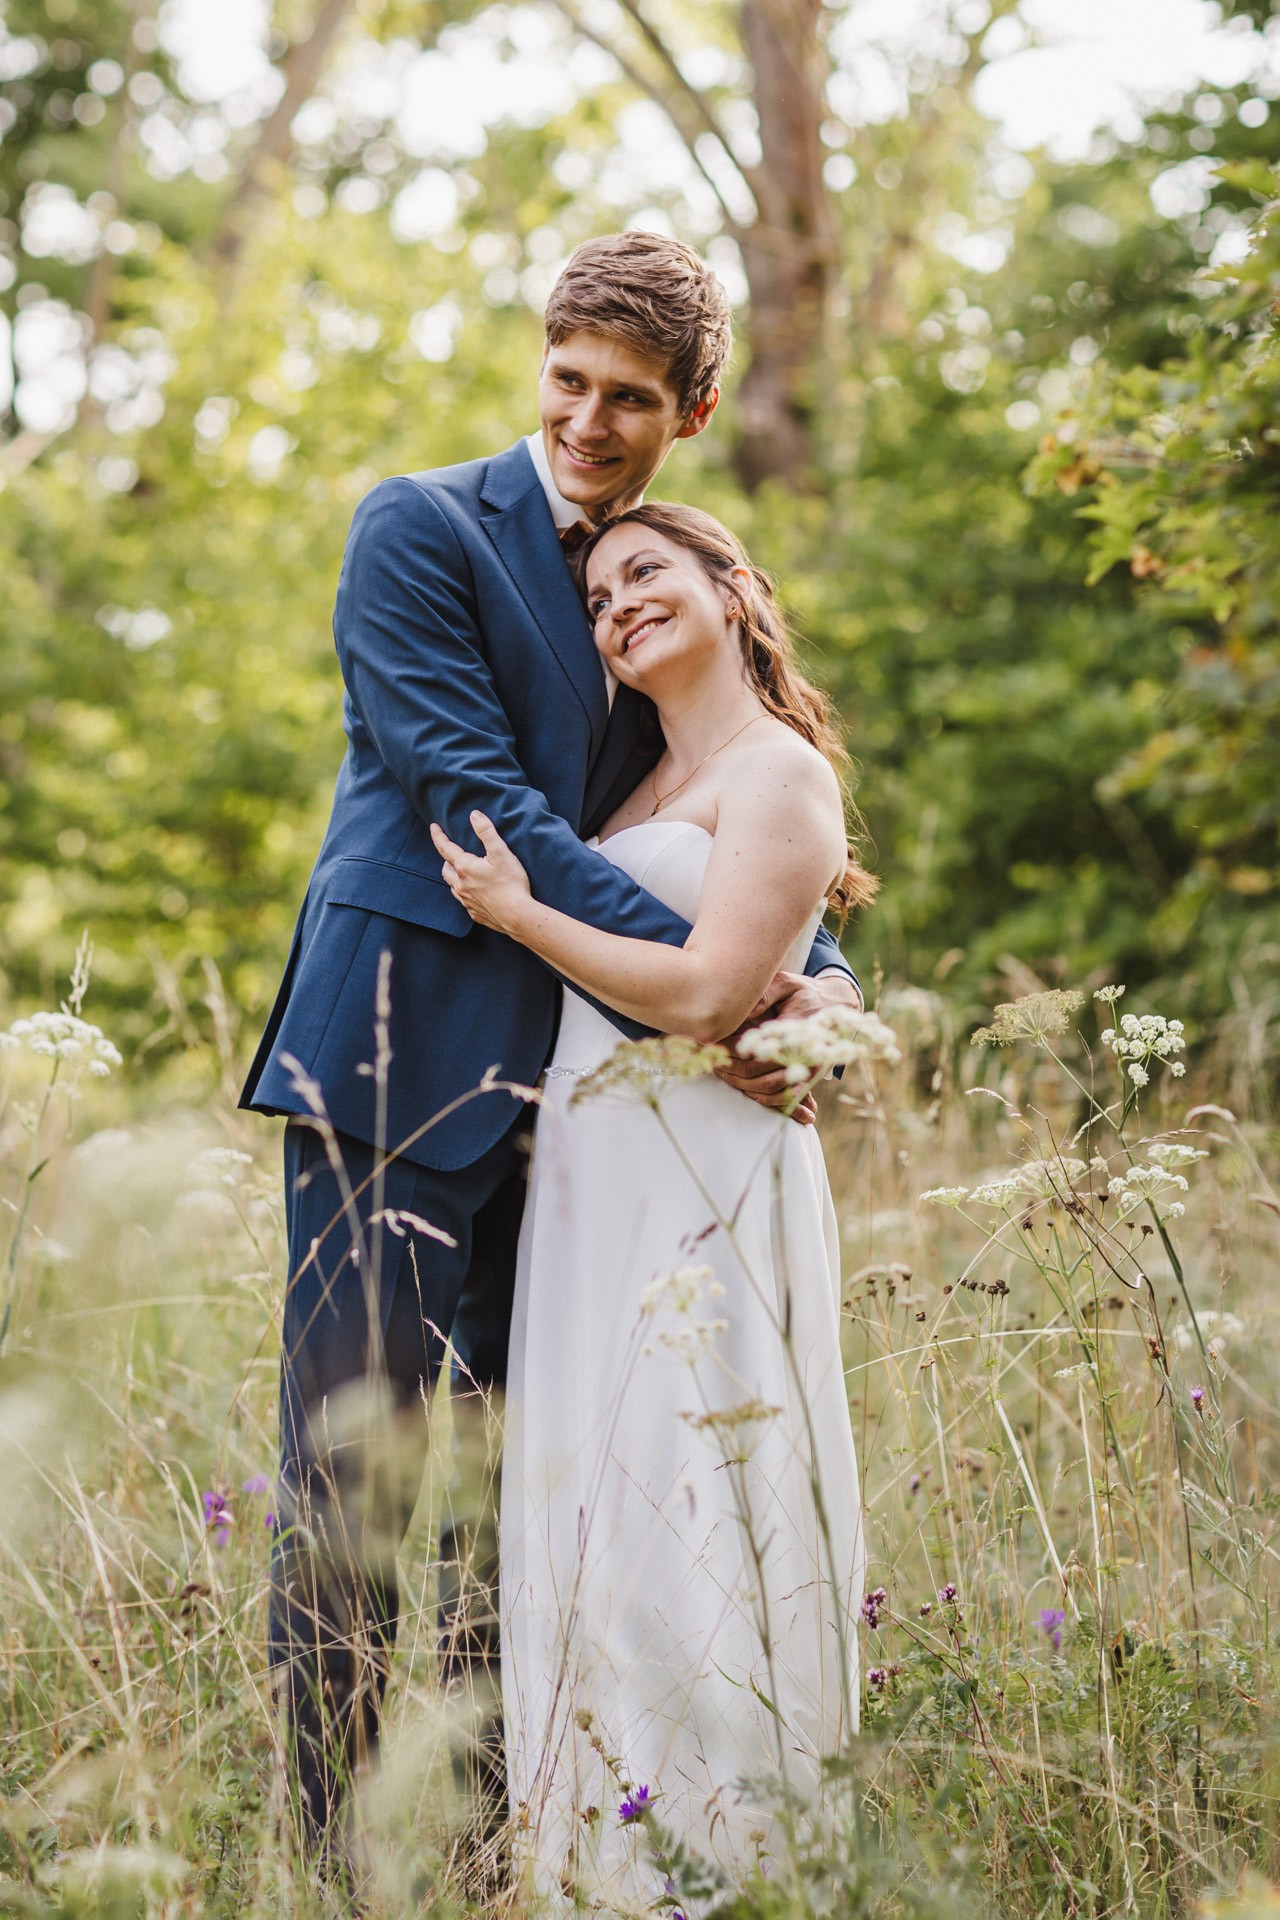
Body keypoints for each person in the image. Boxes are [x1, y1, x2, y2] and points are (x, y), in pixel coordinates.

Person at [238, 232, 863, 1879]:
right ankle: (342, 1875)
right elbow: (480, 800)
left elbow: (722, 797)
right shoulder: (420, 527)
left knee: (530, 1503)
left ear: (693, 412)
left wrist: (812, 981)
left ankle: (501, 1857)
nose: (588, 421)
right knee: (354, 1490)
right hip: (393, 1070)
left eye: (629, 398)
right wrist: (727, 996)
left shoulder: (654, 580)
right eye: (568, 381)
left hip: (588, 1132)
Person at [431, 502, 871, 1907]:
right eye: (599, 599)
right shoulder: (626, 788)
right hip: (590, 1182)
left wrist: (519, 913)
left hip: (705, 1172)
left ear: (733, 589)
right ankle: (597, 1869)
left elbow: (705, 992)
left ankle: (728, 1868)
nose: (617, 605)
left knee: (701, 1490)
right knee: (596, 1510)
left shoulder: (780, 769)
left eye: (646, 573)